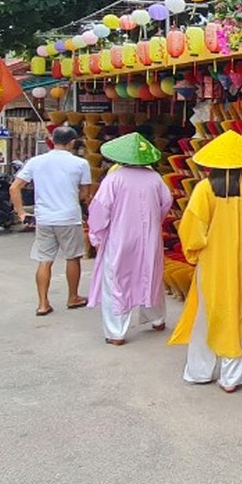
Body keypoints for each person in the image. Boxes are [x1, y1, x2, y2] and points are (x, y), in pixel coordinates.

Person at [167, 130, 242, 393]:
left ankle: (198, 371)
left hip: (213, 262)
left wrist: (195, 254)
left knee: (206, 315)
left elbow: (191, 230)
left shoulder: (204, 189)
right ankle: (232, 377)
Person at [86, 133, 173, 345]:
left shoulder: (114, 179)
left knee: (116, 280)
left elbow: (100, 210)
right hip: (150, 238)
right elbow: (166, 203)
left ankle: (116, 332)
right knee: (150, 276)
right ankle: (157, 319)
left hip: (120, 237)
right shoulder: (155, 178)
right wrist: (154, 221)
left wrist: (95, 235)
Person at [12, 126, 94, 316]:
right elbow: (85, 193)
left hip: (44, 218)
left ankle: (42, 303)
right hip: (69, 217)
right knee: (73, 257)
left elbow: (14, 188)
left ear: (52, 140)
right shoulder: (80, 163)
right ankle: (73, 297)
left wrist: (22, 213)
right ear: (72, 143)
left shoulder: (36, 161)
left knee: (44, 260)